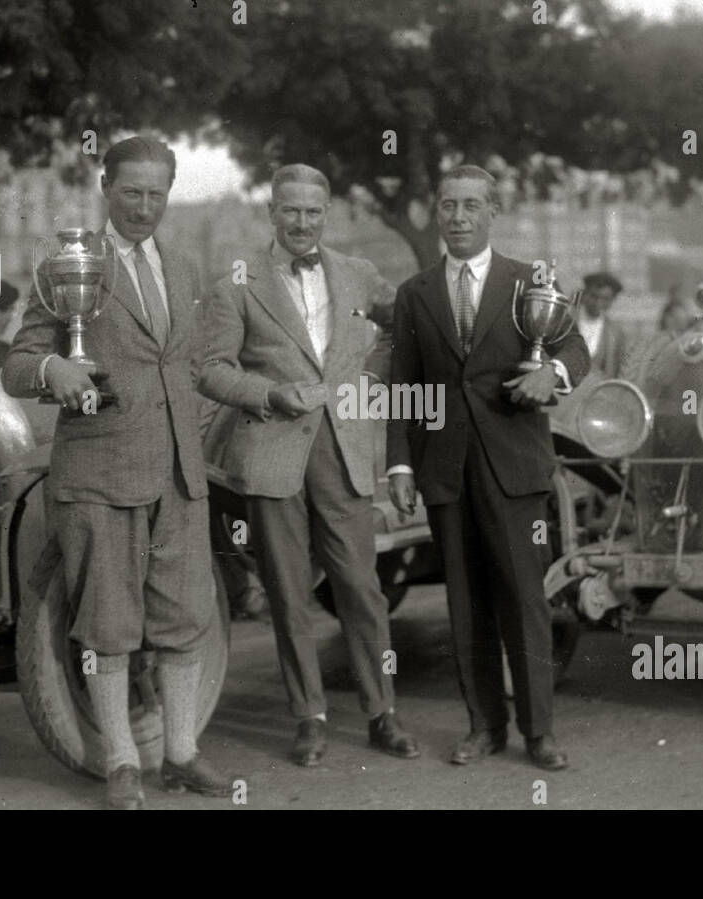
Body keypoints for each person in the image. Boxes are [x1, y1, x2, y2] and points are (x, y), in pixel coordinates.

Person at [3, 136, 230, 809]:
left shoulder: (186, 270)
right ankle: (123, 761)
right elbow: (18, 362)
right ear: (106, 188)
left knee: (187, 617)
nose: (144, 206)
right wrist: (54, 369)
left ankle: (182, 752)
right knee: (107, 622)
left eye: (157, 193)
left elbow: (191, 365)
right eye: (131, 191)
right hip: (100, 474)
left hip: (179, 474)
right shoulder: (69, 264)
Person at [197, 163, 419, 767]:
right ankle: (310, 718)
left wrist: (371, 374)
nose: (301, 223)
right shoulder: (235, 283)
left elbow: (408, 324)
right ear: (271, 213)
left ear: (327, 215)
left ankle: (382, 713)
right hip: (271, 454)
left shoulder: (358, 274)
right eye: (290, 211)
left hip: (343, 453)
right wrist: (268, 395)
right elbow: (209, 369)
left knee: (361, 589)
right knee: (290, 595)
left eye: (313, 212)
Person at [386, 165, 589, 772]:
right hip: (445, 471)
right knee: (465, 604)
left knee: (525, 600)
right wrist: (399, 465)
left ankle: (539, 733)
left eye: (472, 206)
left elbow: (576, 349)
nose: (459, 217)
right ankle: (484, 726)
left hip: (516, 468)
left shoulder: (531, 280)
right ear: (437, 213)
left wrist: (548, 375)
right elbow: (404, 385)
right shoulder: (415, 293)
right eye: (448, 205)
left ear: (492, 212)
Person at [578, 271, 627, 378]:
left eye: (605, 299)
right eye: (593, 296)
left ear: (612, 300)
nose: (598, 303)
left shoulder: (616, 333)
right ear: (584, 294)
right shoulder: (567, 322)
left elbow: (617, 371)